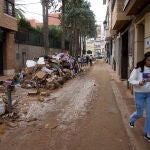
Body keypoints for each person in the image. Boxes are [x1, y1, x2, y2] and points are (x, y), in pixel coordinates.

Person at [128, 51, 150, 142]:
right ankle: (132, 119)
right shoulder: (138, 69)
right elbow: (130, 80)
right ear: (145, 60)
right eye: (149, 60)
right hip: (139, 94)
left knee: (149, 115)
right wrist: (138, 83)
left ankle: (148, 133)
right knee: (140, 113)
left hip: (149, 94)